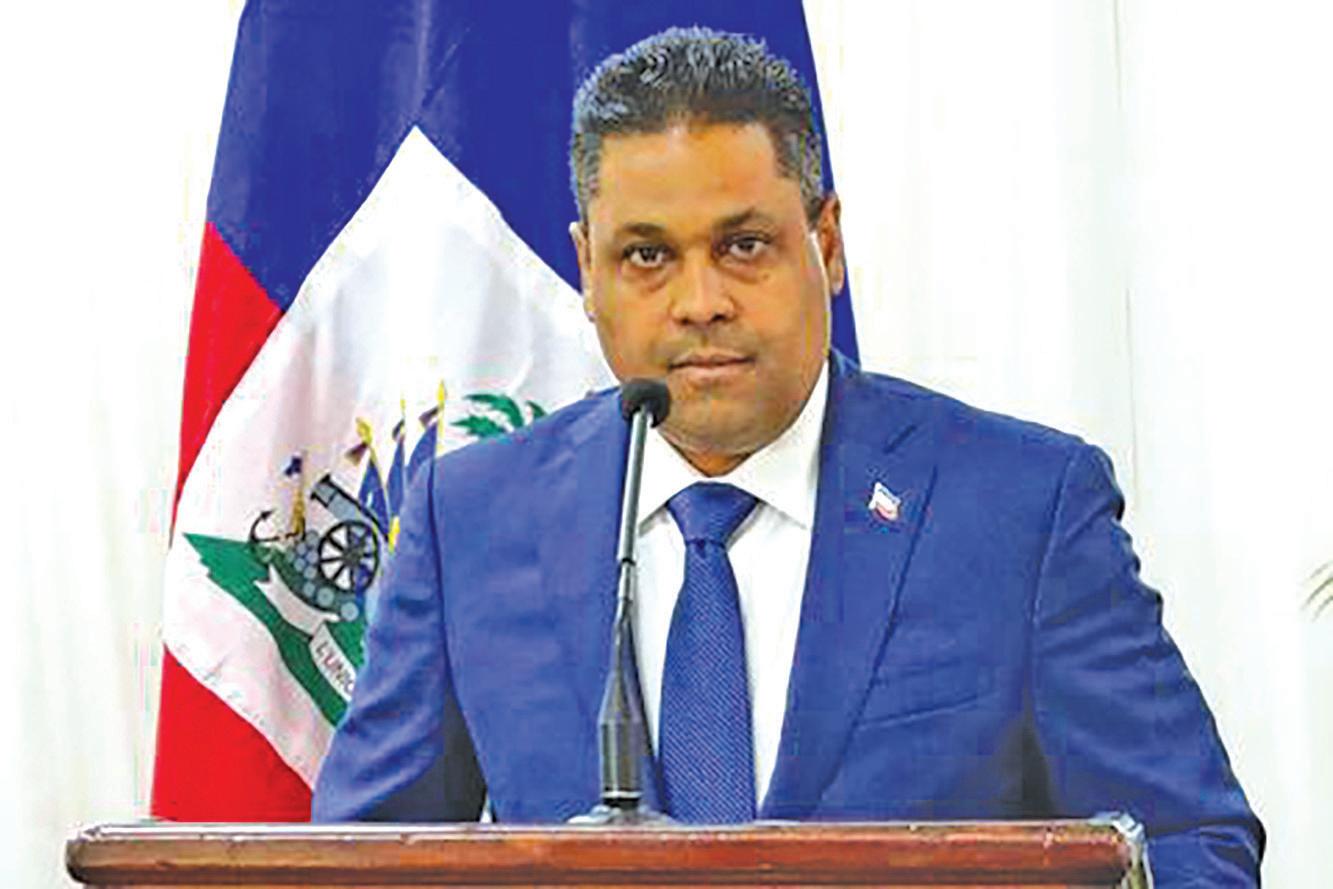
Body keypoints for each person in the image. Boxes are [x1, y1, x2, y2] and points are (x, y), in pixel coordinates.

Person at [313, 27, 1262, 885]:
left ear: (827, 243)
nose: (700, 301)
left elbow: (1191, 845)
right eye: (646, 256)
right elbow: (356, 865)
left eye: (743, 245)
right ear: (586, 270)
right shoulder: (471, 518)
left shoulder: (1019, 510)